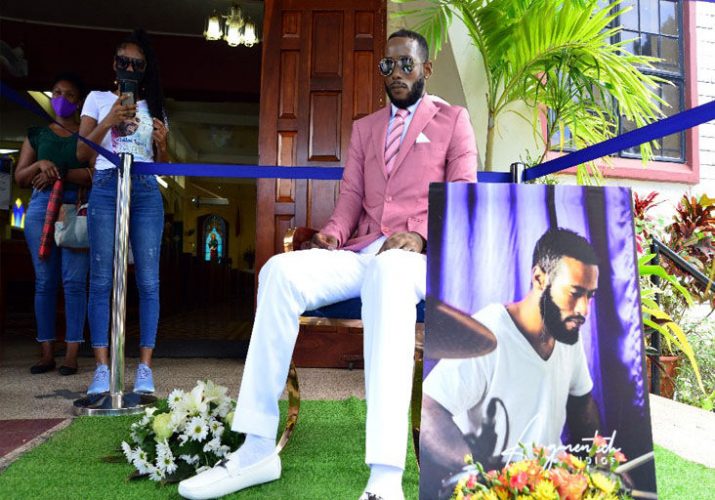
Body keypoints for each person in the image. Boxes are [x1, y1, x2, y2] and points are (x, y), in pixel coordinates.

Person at [178, 29, 477, 500]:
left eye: (405, 65)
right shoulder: (366, 128)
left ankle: (384, 477)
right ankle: (256, 447)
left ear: (425, 70)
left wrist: (420, 234)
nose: (395, 74)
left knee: (389, 272)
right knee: (278, 271)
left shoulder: (453, 121)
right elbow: (352, 199)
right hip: (364, 253)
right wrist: (331, 235)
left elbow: (462, 199)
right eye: (388, 66)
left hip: (417, 261)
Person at [420, 228, 602, 497]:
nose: (584, 309)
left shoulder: (567, 333)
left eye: (591, 296)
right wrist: (480, 480)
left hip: (547, 487)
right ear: (539, 277)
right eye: (575, 293)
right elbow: (428, 408)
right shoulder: (490, 329)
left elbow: (582, 404)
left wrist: (599, 465)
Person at [77, 29, 169, 395]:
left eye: (137, 63)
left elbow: (162, 167)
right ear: (114, 65)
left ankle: (145, 366)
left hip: (145, 190)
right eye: (123, 61)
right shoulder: (98, 99)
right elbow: (82, 155)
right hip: (104, 186)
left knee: (148, 280)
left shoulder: (156, 107)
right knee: (100, 278)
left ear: (145, 69)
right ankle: (102, 367)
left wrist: (163, 145)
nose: (129, 67)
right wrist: (108, 120)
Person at [14, 73, 93, 376]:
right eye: (56, 92)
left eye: (69, 94)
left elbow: (93, 174)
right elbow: (22, 176)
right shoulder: (37, 134)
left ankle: (72, 353)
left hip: (76, 207)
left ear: (79, 102)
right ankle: (46, 352)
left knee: (74, 282)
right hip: (40, 209)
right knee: (45, 282)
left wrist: (58, 170)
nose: (61, 98)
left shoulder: (86, 136)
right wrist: (39, 165)